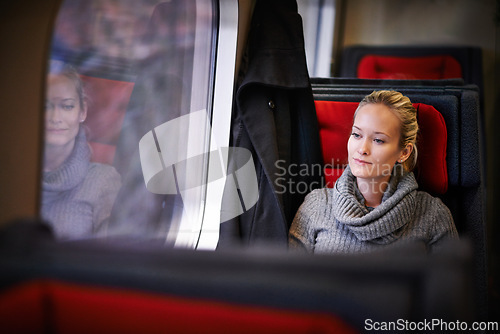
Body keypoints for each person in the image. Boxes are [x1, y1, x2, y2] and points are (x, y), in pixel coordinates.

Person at [289, 90, 458, 254]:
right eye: (356, 135)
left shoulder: (433, 215)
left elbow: (452, 282)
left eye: (378, 140)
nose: (362, 149)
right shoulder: (316, 205)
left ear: (404, 153)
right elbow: (288, 280)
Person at [41, 61, 121, 240]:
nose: (55, 118)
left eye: (67, 106)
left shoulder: (102, 181)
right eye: (45, 106)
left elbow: (110, 258)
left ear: (82, 111)